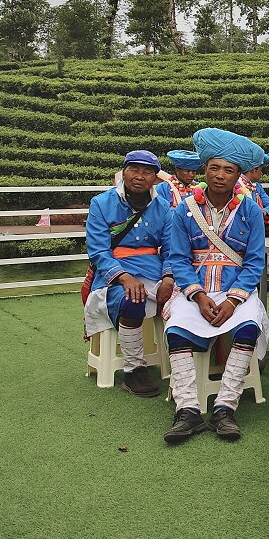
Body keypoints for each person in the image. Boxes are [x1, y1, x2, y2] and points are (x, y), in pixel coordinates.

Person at [162, 128, 269, 443]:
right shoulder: (185, 208)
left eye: (229, 170)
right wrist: (197, 296)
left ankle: (225, 406)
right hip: (196, 290)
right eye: (214, 168)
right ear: (204, 170)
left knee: (249, 324)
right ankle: (188, 410)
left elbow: (254, 263)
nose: (220, 175)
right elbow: (179, 259)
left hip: (237, 290)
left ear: (238, 174)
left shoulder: (250, 209)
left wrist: (233, 301)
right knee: (176, 327)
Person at [83, 150, 176, 398]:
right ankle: (133, 369)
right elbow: (98, 251)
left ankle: (182, 367)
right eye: (134, 170)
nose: (139, 176)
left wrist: (168, 278)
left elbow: (171, 249)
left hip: (154, 272)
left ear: (155, 178)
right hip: (113, 274)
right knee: (133, 298)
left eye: (147, 172)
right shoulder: (101, 203)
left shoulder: (164, 207)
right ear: (124, 172)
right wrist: (124, 278)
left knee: (186, 299)